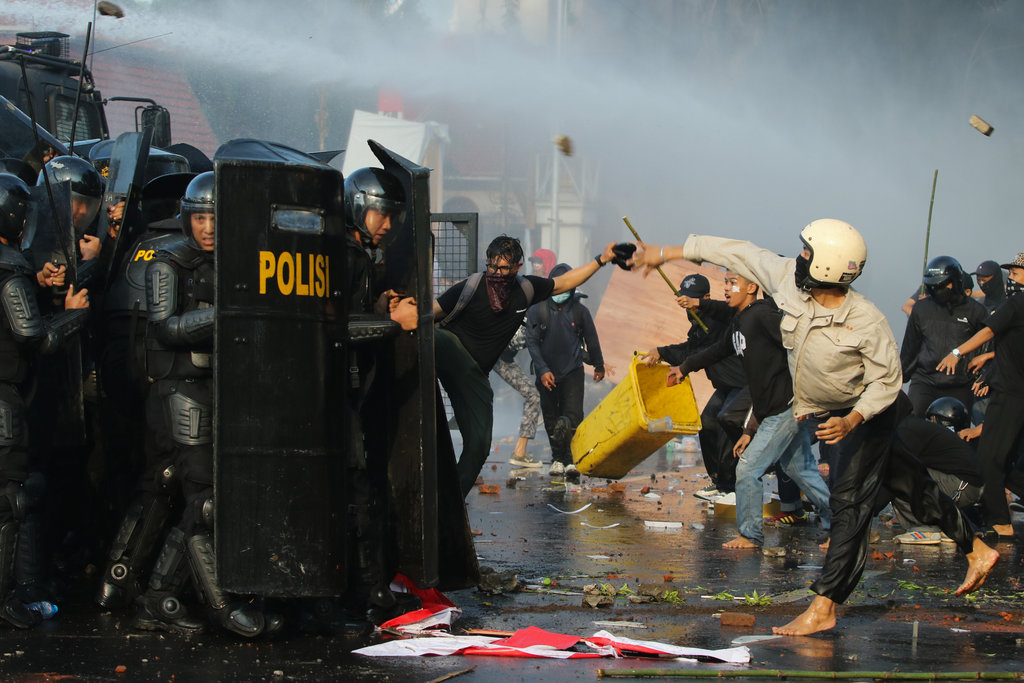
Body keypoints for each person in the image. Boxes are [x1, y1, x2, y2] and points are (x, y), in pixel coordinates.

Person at [631, 218, 999, 635]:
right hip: (829, 414)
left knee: (850, 505)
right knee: (908, 482)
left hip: (868, 414)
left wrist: (852, 419)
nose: (799, 257)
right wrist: (665, 252)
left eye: (807, 252)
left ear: (825, 265)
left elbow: (887, 383)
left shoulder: (866, 320)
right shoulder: (788, 282)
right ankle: (977, 547)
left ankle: (824, 607)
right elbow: (741, 251)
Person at [132, 172, 272, 637]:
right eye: (200, 217)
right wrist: (226, 310)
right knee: (206, 501)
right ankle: (221, 606)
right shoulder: (167, 263)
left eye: (215, 218)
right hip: (180, 391)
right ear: (187, 218)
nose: (208, 227)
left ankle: (159, 595)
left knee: (209, 501)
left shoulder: (233, 263)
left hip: (222, 391)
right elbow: (166, 328)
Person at [434, 235, 617, 497]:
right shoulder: (472, 287)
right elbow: (428, 314)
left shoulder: (529, 292)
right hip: (456, 351)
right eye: (493, 268)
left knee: (479, 446)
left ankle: (448, 508)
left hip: (478, 374)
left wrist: (601, 260)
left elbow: (566, 283)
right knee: (432, 337)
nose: (497, 275)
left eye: (504, 269)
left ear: (517, 268)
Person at [667, 271, 831, 549]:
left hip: (788, 408)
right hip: (771, 409)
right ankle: (843, 525)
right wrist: (684, 368)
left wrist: (811, 398)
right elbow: (718, 351)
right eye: (726, 283)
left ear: (752, 287)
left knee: (747, 470)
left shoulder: (764, 315)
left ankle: (750, 534)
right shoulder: (740, 322)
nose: (727, 289)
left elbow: (801, 349)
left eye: (733, 283)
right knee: (802, 470)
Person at [0, 173, 90, 629]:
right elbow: (33, 337)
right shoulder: (8, 271)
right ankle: (9, 600)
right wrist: (73, 317)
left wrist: (36, 280)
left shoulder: (15, 273)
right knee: (13, 499)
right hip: (4, 401)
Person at [937, 252, 1024, 541]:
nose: (1011, 278)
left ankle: (1001, 524)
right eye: (1010, 273)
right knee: (1009, 463)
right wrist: (990, 359)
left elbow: (989, 330)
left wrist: (957, 352)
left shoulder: (1016, 303)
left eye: (1016, 273)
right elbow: (1010, 345)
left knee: (988, 459)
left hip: (1011, 394)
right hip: (1012, 390)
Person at [640, 273, 747, 501]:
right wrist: (661, 352)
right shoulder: (696, 320)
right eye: (684, 299)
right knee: (707, 423)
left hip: (742, 385)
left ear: (706, 298)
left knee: (726, 421)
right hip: (724, 386)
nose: (688, 304)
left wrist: (668, 354)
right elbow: (692, 348)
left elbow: (696, 351)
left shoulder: (721, 316)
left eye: (694, 300)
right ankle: (719, 481)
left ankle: (733, 486)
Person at [524, 262, 606, 479]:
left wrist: (599, 365)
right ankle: (558, 459)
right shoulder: (537, 310)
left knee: (572, 416)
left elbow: (592, 340)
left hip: (572, 372)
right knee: (551, 417)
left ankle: (568, 460)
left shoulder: (580, 312)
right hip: (546, 374)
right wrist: (542, 370)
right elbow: (531, 343)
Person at [900, 256, 987, 416]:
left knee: (954, 434)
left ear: (955, 282)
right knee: (910, 426)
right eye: (932, 287)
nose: (937, 291)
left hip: (960, 384)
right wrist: (899, 378)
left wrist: (984, 377)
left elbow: (987, 346)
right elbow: (910, 348)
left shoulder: (977, 312)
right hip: (924, 381)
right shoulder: (921, 309)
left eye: (941, 285)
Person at [890, 397, 983, 545]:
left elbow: (898, 471)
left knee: (898, 477)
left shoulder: (906, 430)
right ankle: (948, 529)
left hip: (965, 486)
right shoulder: (913, 425)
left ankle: (926, 529)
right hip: (968, 484)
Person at [492, 324, 543, 468]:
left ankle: (520, 452)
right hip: (481, 352)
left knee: (534, 396)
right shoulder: (526, 312)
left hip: (502, 360)